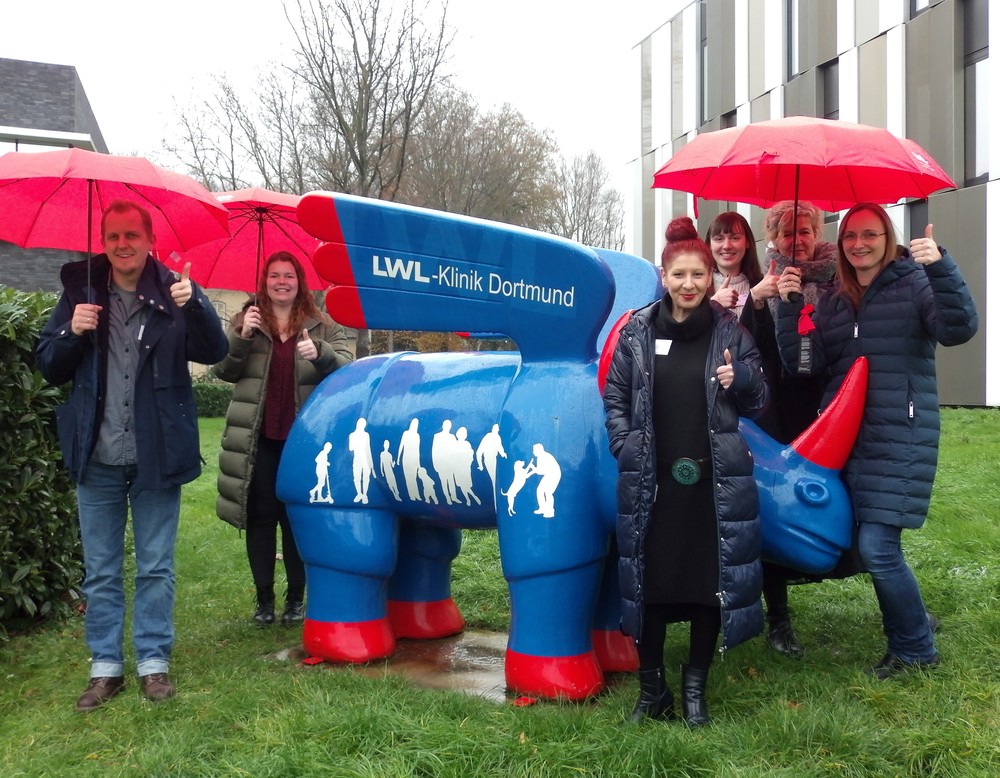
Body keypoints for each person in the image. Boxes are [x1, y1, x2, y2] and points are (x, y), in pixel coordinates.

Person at [36, 200, 229, 712]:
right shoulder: (80, 293)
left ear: (149, 240)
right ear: (104, 242)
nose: (123, 245)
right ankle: (105, 669)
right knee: (100, 570)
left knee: (155, 567)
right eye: (114, 236)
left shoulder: (174, 291)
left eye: (132, 235)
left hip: (155, 454)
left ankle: (152, 664)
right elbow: (49, 367)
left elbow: (215, 351)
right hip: (95, 454)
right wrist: (70, 331)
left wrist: (197, 305)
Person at [775, 203, 977, 679]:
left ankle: (915, 649)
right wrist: (789, 309)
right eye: (850, 236)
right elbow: (805, 364)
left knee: (879, 547)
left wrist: (942, 267)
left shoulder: (916, 282)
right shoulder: (831, 298)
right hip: (848, 439)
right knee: (871, 547)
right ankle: (913, 622)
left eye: (870, 234)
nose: (859, 244)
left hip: (901, 433)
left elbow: (959, 329)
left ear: (888, 238)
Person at [602, 217, 768, 726]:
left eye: (699, 275)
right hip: (652, 485)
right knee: (648, 585)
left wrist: (738, 378)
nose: (690, 285)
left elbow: (760, 399)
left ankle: (694, 691)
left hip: (711, 487)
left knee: (705, 588)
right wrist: (624, 443)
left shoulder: (729, 333)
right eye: (680, 275)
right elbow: (616, 397)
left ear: (710, 280)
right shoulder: (637, 331)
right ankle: (652, 692)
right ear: (665, 276)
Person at [214, 251, 354, 627]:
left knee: (296, 520)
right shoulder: (247, 320)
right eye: (274, 275)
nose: (281, 282)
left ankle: (296, 600)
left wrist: (320, 354)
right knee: (261, 520)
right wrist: (242, 338)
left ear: (299, 282)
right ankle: (264, 601)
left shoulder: (322, 325)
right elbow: (223, 369)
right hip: (258, 439)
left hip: (304, 442)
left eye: (288, 276)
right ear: (265, 281)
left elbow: (349, 371)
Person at [743, 201, 839, 658]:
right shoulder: (766, 281)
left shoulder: (836, 275)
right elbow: (745, 346)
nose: (796, 240)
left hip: (821, 408)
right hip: (776, 413)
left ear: (816, 232)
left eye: (804, 231)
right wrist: (763, 300)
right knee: (775, 510)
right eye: (786, 234)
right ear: (772, 239)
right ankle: (778, 618)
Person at [705, 210, 764, 318]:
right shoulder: (699, 285)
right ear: (709, 245)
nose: (727, 245)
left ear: (747, 242)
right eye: (719, 239)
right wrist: (714, 304)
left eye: (735, 238)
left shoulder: (761, 285)